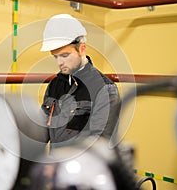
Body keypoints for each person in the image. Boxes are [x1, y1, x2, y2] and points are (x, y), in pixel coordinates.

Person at [41, 14, 121, 149]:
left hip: (84, 168)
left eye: (65, 55)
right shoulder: (55, 84)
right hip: (56, 164)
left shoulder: (104, 89)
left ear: (82, 49)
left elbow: (100, 143)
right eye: (55, 56)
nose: (59, 62)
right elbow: (42, 128)